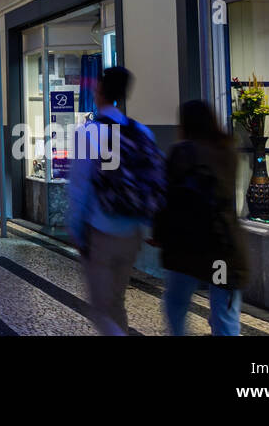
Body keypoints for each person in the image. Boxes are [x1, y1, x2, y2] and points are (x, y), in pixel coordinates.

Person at [67, 66, 165, 336]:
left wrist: (76, 230)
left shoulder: (88, 133)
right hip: (132, 232)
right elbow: (155, 178)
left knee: (100, 309)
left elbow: (80, 188)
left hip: (101, 230)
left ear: (99, 92)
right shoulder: (142, 132)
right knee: (117, 302)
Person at [153, 100, 249, 335]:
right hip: (222, 248)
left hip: (187, 250)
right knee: (223, 311)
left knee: (176, 305)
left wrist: (158, 233)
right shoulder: (228, 151)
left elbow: (167, 198)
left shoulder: (182, 152)